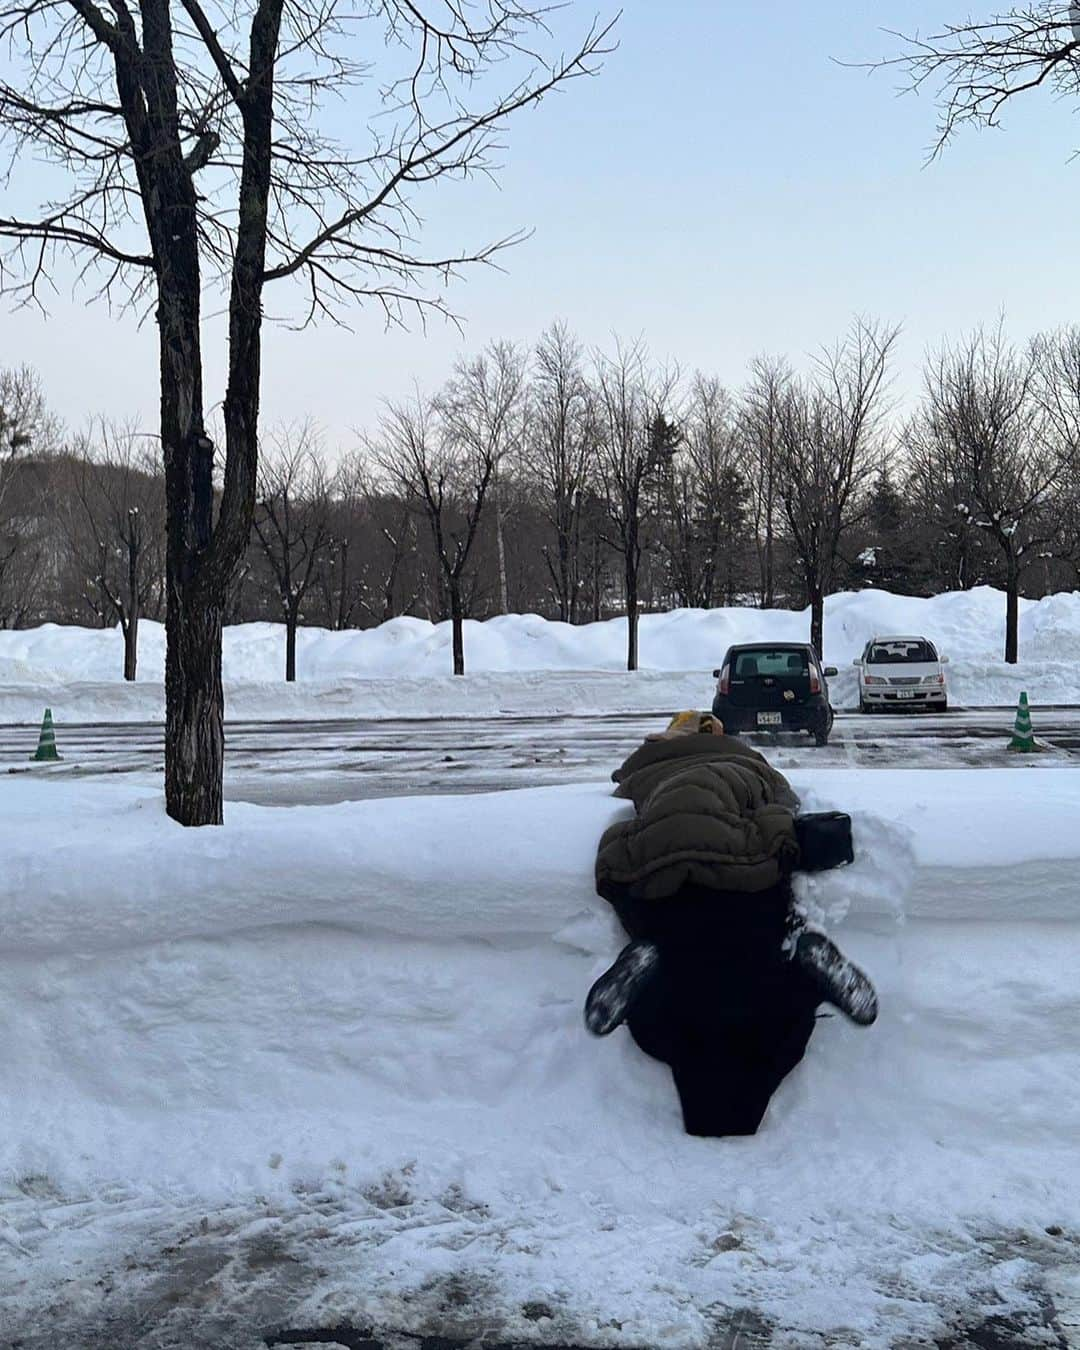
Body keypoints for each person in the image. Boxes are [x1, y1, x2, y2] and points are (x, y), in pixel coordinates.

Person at [584, 711, 877, 1137]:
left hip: (699, 870)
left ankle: (804, 963)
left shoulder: (644, 769)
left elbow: (779, 817)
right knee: (662, 980)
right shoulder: (747, 762)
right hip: (694, 875)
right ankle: (648, 955)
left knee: (772, 967)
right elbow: (782, 804)